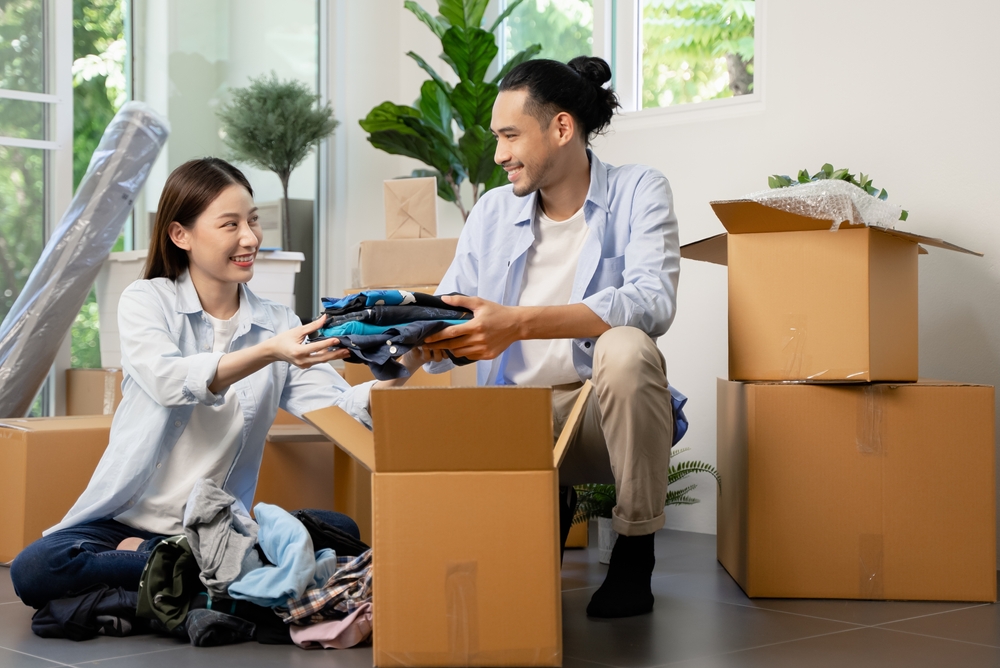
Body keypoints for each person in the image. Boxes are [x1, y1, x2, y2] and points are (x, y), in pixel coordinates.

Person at [10, 158, 426, 609]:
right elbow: (171, 380)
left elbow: (338, 408)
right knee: (37, 567)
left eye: (252, 221)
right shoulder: (147, 301)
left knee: (340, 529)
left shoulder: (277, 323)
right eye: (229, 224)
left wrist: (408, 363)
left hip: (216, 528)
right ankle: (209, 578)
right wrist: (269, 351)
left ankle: (175, 584)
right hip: (125, 524)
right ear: (180, 235)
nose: (249, 237)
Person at [422, 56, 681, 618]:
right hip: (516, 419)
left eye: (510, 136)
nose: (498, 156)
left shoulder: (639, 190)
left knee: (628, 346)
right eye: (496, 138)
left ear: (562, 128)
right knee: (499, 592)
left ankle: (635, 551)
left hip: (598, 415)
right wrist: (393, 331)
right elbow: (451, 310)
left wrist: (517, 321)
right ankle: (547, 510)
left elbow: (651, 301)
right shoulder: (492, 212)